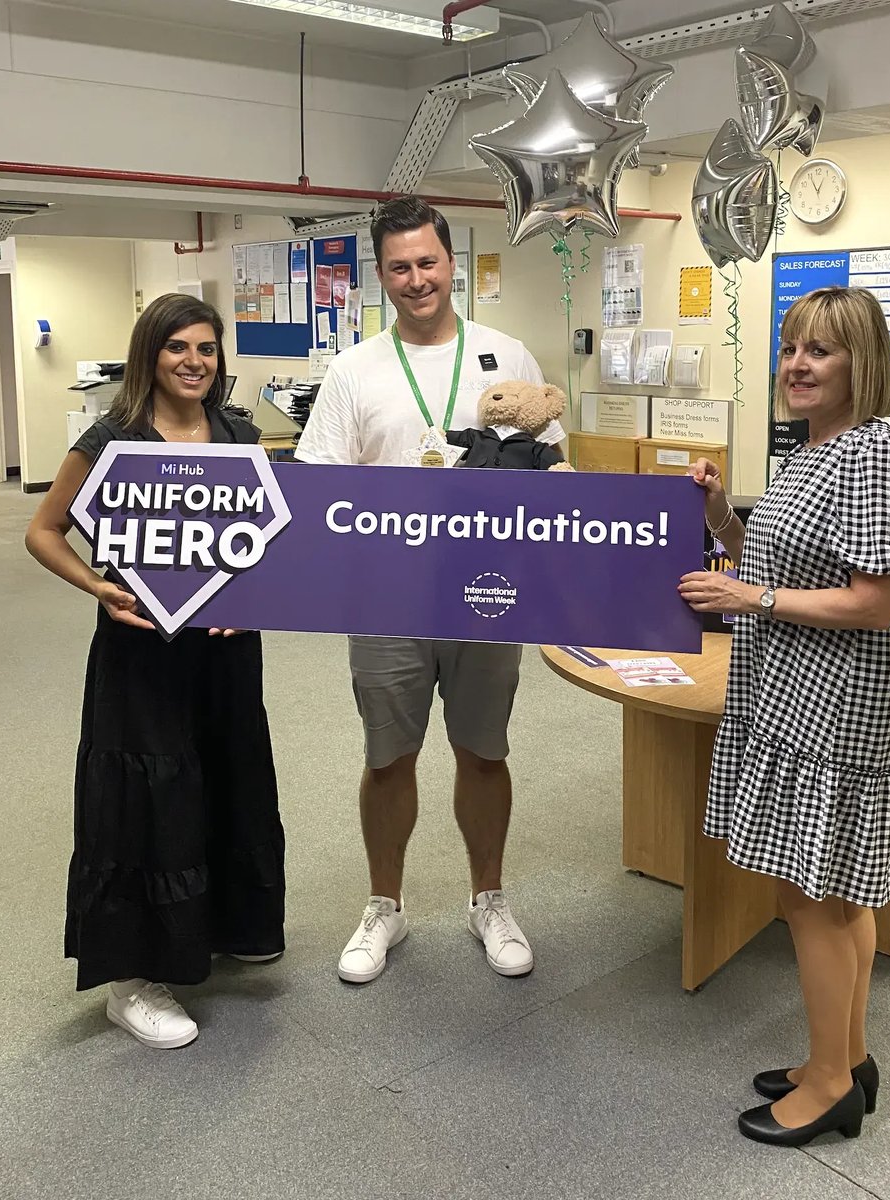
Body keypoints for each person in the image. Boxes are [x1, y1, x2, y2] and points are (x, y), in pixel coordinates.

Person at [678, 286, 890, 1146]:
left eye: (819, 350)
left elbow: (870, 602)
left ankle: (828, 1086)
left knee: (812, 896)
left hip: (832, 709)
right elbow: (778, 563)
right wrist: (718, 516)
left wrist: (748, 595)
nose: (796, 365)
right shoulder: (809, 453)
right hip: (792, 698)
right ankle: (848, 1056)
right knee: (829, 891)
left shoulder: (872, 454)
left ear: (861, 364)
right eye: (790, 347)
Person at [295, 196, 564, 984]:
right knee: (388, 757)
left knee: (483, 751)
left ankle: (489, 899)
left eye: (428, 263)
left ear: (452, 263)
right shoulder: (352, 369)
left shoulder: (506, 352)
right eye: (399, 268)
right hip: (386, 596)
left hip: (487, 591)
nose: (417, 279)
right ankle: (385, 906)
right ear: (381, 277)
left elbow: (550, 474)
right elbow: (317, 487)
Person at [25, 294, 286, 1049]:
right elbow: (44, 532)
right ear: (150, 355)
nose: (194, 362)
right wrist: (98, 587)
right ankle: (131, 978)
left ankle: (222, 924)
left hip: (226, 650)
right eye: (178, 348)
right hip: (142, 652)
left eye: (206, 349)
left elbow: (267, 538)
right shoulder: (112, 440)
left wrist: (257, 592)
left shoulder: (238, 433)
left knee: (228, 777)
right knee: (149, 798)